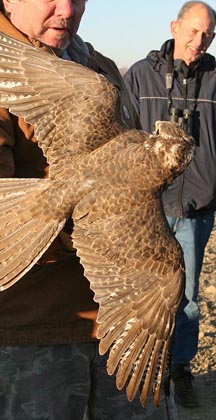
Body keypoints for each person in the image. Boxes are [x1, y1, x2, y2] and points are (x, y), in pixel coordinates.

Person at [0, 1, 179, 419]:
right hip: (28, 333)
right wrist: (90, 228)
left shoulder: (97, 68)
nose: (66, 8)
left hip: (113, 331)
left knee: (168, 276)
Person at [123, 0, 216, 409]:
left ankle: (179, 368)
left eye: (209, 34)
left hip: (197, 207)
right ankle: (145, 367)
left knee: (188, 297)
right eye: (193, 31)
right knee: (141, 291)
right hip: (147, 209)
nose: (200, 41)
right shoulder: (140, 75)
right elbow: (121, 138)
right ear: (175, 27)